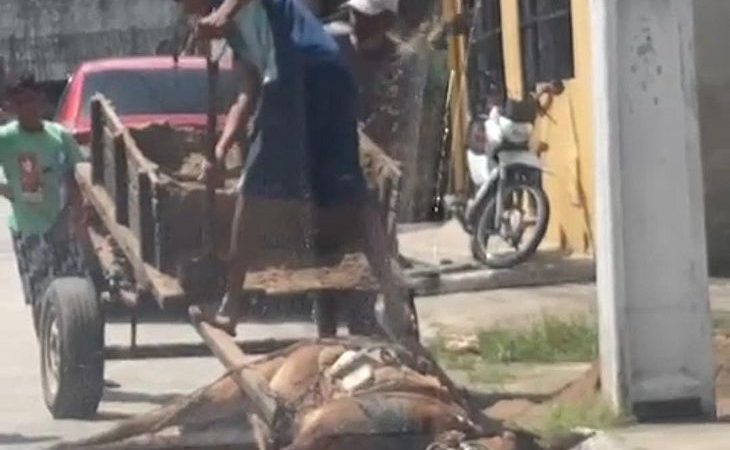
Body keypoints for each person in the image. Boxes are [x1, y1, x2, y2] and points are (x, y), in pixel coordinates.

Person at [178, 0, 401, 335]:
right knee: (353, 197)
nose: (184, 11)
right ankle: (396, 301)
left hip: (295, 71)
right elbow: (246, 95)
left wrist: (222, 15)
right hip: (330, 73)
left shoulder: (231, 10)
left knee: (252, 191)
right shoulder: (237, 38)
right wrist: (221, 150)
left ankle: (230, 309)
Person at [0, 75, 87, 326]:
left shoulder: (58, 136)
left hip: (63, 228)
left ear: (41, 103)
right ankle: (49, 347)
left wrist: (78, 207)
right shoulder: (7, 139)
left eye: (31, 101)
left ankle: (72, 347)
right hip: (29, 232)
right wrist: (6, 190)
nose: (28, 108)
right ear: (14, 108)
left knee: (76, 296)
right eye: (21, 103)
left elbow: (78, 172)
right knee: (41, 297)